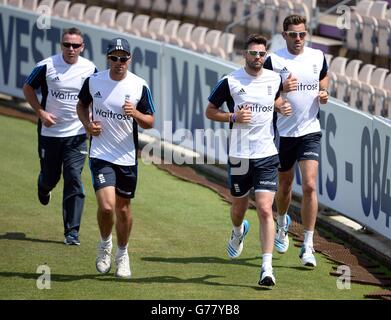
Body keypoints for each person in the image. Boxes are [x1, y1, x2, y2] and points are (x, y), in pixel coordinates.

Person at [205, 34, 292, 286]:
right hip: (240, 155)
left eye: (261, 54)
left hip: (266, 154)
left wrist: (280, 106)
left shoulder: (274, 78)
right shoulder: (230, 81)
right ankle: (237, 231)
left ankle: (267, 268)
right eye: (253, 53)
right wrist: (232, 117)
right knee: (238, 208)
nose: (257, 58)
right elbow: (210, 111)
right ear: (245, 54)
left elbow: (273, 98)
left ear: (265, 56)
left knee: (265, 208)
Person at [76, 38, 155, 279]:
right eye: (114, 58)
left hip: (127, 156)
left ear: (130, 59)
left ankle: (123, 254)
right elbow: (81, 105)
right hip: (101, 154)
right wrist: (88, 125)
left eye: (123, 58)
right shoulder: (94, 81)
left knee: (122, 209)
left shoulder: (140, 85)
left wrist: (136, 113)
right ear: (107, 58)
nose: (119, 63)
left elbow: (150, 122)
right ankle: (104, 246)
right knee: (107, 206)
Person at [263, 14, 329, 267]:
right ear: (284, 35)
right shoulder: (273, 59)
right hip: (283, 133)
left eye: (302, 34)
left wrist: (324, 92)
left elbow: (323, 77)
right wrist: (280, 96)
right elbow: (263, 93)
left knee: (310, 186)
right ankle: (282, 224)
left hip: (310, 129)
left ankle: (308, 245)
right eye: (293, 34)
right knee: (285, 186)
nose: (299, 39)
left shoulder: (317, 56)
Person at [23, 27, 97, 245]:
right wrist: (41, 112)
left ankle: (71, 232)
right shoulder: (46, 66)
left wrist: (91, 115)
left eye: (75, 45)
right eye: (67, 45)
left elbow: (96, 93)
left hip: (77, 133)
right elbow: (28, 88)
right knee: (51, 177)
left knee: (73, 176)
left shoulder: (90, 69)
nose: (71, 49)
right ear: (61, 45)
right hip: (49, 132)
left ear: (82, 47)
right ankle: (44, 185)